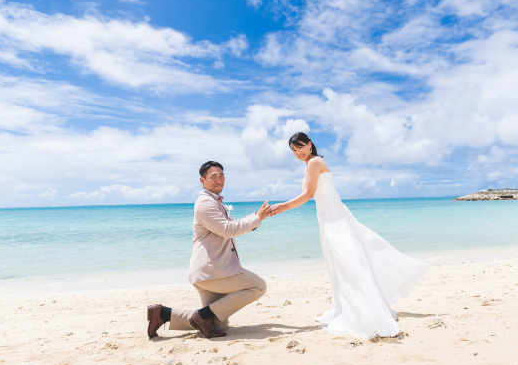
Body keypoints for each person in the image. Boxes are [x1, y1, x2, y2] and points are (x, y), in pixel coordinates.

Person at [268, 132, 429, 338]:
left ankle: (363, 311)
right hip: (331, 217)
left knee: (348, 262)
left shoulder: (314, 162)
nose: (298, 152)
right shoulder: (314, 163)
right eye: (293, 150)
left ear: (309, 144)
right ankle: (351, 307)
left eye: (300, 147)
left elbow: (308, 194)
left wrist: (282, 207)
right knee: (344, 262)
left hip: (335, 219)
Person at [147, 161, 272, 339]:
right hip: (213, 272)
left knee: (216, 324)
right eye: (213, 177)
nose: (219, 180)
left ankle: (162, 314)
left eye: (221, 176)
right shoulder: (204, 204)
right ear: (202, 180)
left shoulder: (213, 201)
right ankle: (202, 315)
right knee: (258, 286)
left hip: (210, 272)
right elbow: (228, 230)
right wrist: (257, 218)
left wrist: (256, 216)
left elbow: (230, 225)